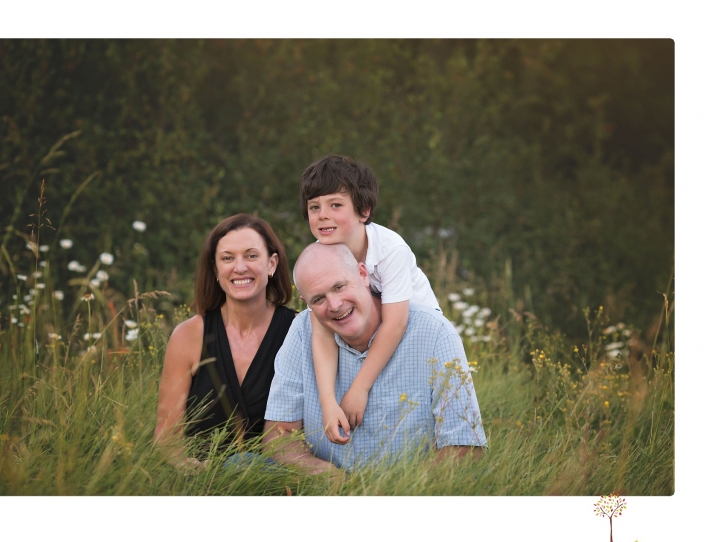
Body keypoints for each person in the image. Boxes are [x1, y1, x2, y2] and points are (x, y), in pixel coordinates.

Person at [262, 243, 486, 473]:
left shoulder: (435, 332)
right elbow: (277, 435)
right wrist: (325, 476)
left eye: (339, 287)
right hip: (327, 488)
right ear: (307, 303)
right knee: (242, 464)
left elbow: (466, 448)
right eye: (318, 299)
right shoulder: (302, 333)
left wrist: (398, 489)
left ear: (362, 274)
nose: (335, 305)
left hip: (411, 487)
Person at [299, 154, 441, 445]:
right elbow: (322, 335)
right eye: (314, 207)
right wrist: (328, 403)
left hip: (417, 337)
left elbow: (396, 324)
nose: (322, 215)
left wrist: (359, 389)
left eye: (335, 205)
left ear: (363, 211)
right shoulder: (320, 254)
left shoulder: (391, 249)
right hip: (371, 334)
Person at [154, 213, 295, 469]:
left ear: (272, 264)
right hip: (201, 480)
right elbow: (166, 437)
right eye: (227, 258)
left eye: (251, 256)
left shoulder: (298, 331)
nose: (239, 267)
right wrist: (192, 470)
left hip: (280, 479)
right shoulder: (188, 336)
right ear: (216, 270)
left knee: (242, 464)